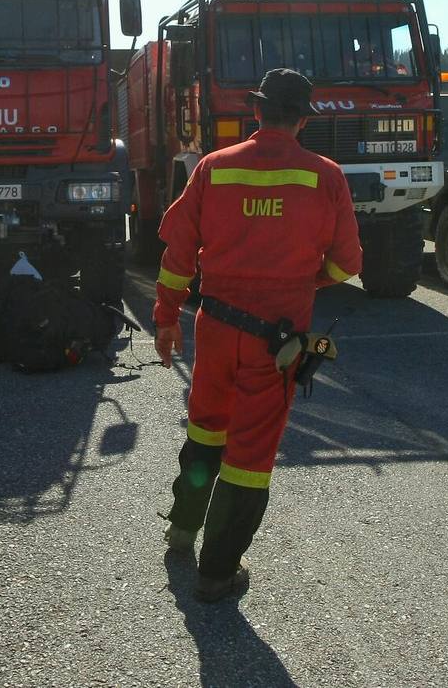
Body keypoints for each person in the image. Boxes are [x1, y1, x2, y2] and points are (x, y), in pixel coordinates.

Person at [153, 67, 362, 602]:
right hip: (278, 340)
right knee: (248, 456)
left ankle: (181, 529)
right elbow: (347, 264)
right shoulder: (325, 175)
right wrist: (303, 280)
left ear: (256, 112)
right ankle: (217, 572)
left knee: (205, 428)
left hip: (216, 327)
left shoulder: (213, 167)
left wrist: (165, 317)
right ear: (303, 120)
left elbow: (177, 253)